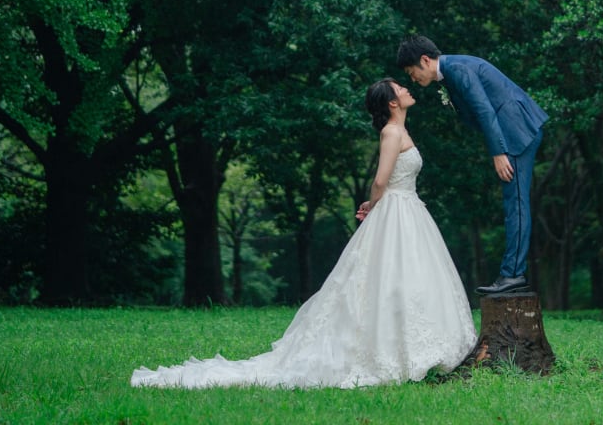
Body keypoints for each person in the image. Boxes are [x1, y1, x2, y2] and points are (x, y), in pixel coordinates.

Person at [130, 77, 477, 390]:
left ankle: (422, 345)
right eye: (400, 88)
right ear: (391, 102)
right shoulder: (391, 132)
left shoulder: (402, 131)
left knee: (408, 278)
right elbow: (381, 180)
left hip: (409, 210)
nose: (406, 89)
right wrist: (373, 206)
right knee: (385, 279)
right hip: (397, 211)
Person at [396, 34, 548, 297]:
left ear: (425, 60)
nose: (413, 79)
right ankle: (512, 272)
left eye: (412, 73)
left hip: (515, 131)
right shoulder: (451, 71)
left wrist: (498, 152)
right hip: (510, 130)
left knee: (517, 204)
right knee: (514, 203)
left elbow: (484, 110)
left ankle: (513, 274)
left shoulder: (457, 69)